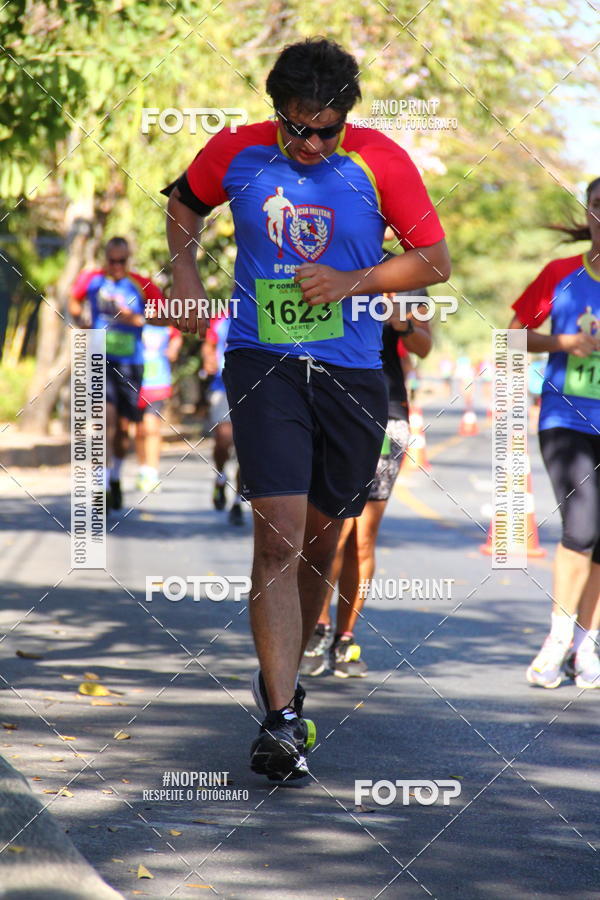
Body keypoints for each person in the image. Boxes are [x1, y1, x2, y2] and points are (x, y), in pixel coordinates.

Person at [162, 37, 450, 780]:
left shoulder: (379, 161)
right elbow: (184, 203)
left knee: (324, 540)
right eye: (297, 126)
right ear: (276, 112)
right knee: (278, 537)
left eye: (326, 129)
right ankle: (282, 716)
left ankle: (296, 653)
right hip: (265, 361)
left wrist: (352, 282)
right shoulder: (237, 149)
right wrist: (185, 274)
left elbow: (434, 260)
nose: (311, 142)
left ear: (346, 118)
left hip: (355, 376)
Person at [301, 287, 432, 678]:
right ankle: (316, 629)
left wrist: (401, 320)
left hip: (387, 413)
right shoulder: (331, 261)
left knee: (362, 537)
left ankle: (345, 638)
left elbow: (424, 345)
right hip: (329, 404)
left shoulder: (409, 278)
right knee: (331, 530)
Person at [508, 176, 600, 689]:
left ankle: (587, 645)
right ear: (587, 212)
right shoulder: (561, 275)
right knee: (582, 528)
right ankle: (558, 638)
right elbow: (512, 338)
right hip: (566, 420)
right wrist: (565, 340)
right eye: (598, 205)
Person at [69, 237, 164, 513]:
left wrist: (137, 319)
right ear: (105, 258)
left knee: (123, 428)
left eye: (121, 261)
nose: (116, 266)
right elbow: (73, 301)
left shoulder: (140, 284)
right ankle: (99, 485)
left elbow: (164, 315)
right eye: (112, 261)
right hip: (100, 358)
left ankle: (115, 477)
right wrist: (80, 320)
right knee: (104, 418)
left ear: (128, 259)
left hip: (131, 363)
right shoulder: (92, 280)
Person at [201, 311, 244, 525]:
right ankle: (220, 478)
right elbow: (208, 345)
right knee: (224, 438)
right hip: (223, 384)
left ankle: (237, 501)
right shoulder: (221, 318)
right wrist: (208, 359)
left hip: (256, 387)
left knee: (248, 449)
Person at [135, 324, 182, 494]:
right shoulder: (135, 316)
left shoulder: (165, 321)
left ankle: (152, 474)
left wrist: (173, 349)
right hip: (134, 381)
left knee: (152, 427)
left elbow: (177, 335)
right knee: (139, 430)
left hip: (158, 382)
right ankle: (143, 470)